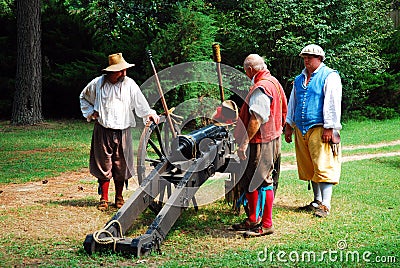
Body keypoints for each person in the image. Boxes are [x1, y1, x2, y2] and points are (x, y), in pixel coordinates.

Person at [79, 53, 160, 211]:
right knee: (103, 164)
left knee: (121, 165)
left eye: (124, 70)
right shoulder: (97, 84)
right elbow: (83, 97)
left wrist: (149, 113)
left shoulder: (129, 84)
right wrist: (91, 112)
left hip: (123, 131)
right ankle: (104, 198)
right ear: (110, 72)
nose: (123, 73)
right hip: (103, 130)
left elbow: (140, 103)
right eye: (120, 71)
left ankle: (119, 197)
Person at [232, 54, 287, 237]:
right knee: (250, 180)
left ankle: (267, 223)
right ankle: (253, 218)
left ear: (249, 70)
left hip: (261, 142)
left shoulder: (261, 87)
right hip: (271, 138)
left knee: (262, 180)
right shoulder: (274, 82)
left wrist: (244, 143)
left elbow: (256, 118)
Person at [284, 44, 342, 218]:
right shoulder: (299, 79)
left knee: (324, 164)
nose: (306, 60)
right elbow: (292, 102)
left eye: (310, 56)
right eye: (304, 57)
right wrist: (289, 125)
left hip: (319, 127)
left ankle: (326, 204)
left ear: (320, 59)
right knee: (309, 165)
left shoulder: (329, 76)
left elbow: (332, 103)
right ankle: (316, 200)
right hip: (301, 127)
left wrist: (329, 127)